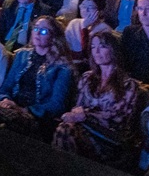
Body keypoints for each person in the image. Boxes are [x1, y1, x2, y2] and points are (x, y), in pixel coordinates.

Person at [0, 15, 75, 136]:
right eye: (36, 29)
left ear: (53, 37)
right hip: (11, 107)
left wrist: (24, 110)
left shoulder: (62, 67)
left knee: (9, 123)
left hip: (35, 116)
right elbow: (6, 87)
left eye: (43, 31)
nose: (38, 33)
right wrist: (6, 99)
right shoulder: (22, 55)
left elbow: (57, 104)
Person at [51, 29, 142, 168]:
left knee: (65, 131)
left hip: (109, 137)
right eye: (93, 47)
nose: (97, 51)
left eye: (102, 46)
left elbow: (119, 118)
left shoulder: (128, 84)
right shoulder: (87, 77)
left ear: (113, 50)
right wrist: (77, 117)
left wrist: (85, 116)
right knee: (64, 129)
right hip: (84, 129)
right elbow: (77, 107)